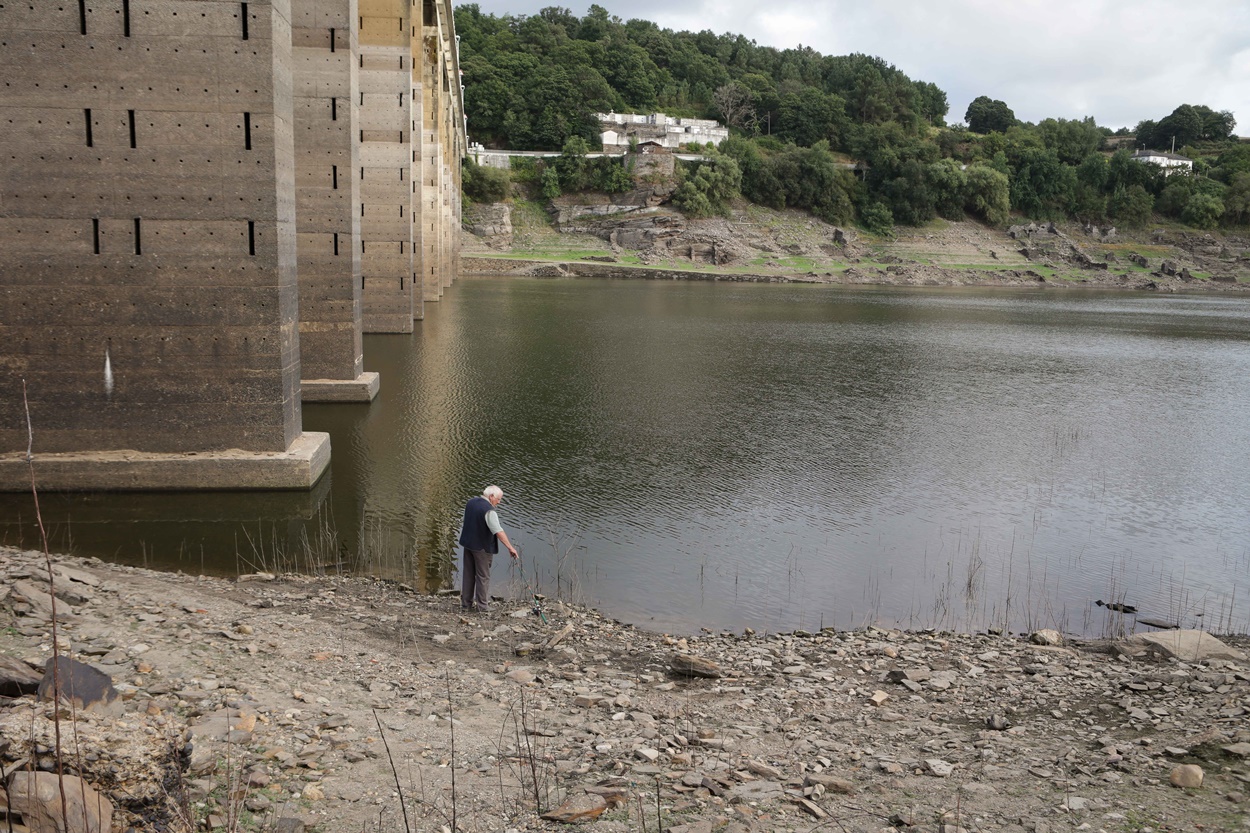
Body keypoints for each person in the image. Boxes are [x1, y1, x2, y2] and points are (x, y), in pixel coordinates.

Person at [457, 485, 518, 613]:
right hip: (482, 548)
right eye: (498, 499)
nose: (499, 502)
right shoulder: (489, 511)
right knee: (482, 577)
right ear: (491, 497)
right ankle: (482, 607)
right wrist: (510, 548)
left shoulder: (471, 502)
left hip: (468, 544)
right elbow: (498, 531)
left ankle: (466, 604)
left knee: (468, 574)